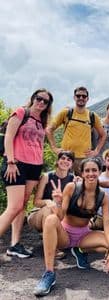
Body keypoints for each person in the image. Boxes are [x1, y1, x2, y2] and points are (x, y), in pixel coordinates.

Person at [34, 158, 109, 296]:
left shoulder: (104, 197)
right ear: (82, 173)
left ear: (100, 172)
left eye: (94, 170)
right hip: (65, 235)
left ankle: (79, 250)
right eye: (87, 170)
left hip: (84, 236)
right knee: (51, 219)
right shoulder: (71, 188)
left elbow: (107, 223)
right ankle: (49, 273)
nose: (90, 173)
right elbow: (61, 216)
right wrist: (57, 202)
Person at [0, 89, 53, 258]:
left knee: (21, 206)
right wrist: (10, 161)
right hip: (17, 164)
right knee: (14, 206)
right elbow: (8, 137)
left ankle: (14, 244)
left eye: (46, 101)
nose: (42, 103)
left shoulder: (41, 121)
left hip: (34, 166)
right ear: (33, 98)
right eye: (39, 99)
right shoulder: (21, 112)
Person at [46, 86, 107, 175]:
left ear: (87, 99)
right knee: (64, 184)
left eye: (84, 96)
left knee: (82, 185)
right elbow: (49, 129)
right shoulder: (66, 113)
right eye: (78, 96)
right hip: (66, 157)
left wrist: (96, 151)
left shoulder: (92, 116)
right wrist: (54, 148)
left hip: (84, 158)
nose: (81, 98)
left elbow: (103, 135)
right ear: (74, 97)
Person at [27, 151, 75, 233]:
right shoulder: (46, 177)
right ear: (57, 161)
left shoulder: (73, 179)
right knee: (50, 209)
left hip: (60, 214)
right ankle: (48, 239)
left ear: (72, 164)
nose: (65, 161)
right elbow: (36, 202)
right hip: (40, 213)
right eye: (63, 158)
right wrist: (48, 201)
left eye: (69, 160)